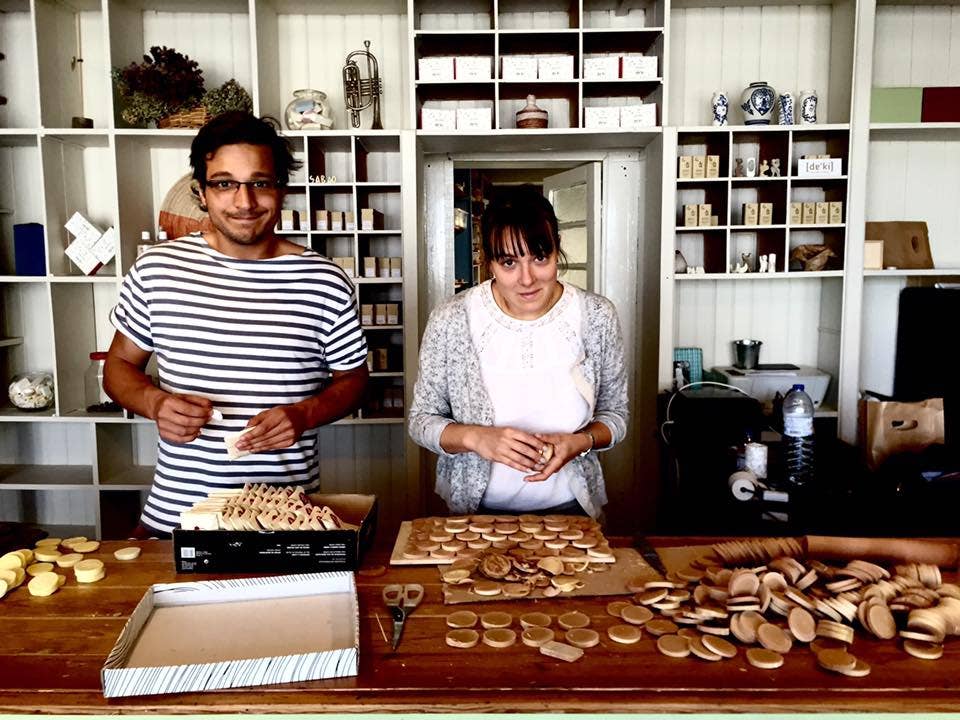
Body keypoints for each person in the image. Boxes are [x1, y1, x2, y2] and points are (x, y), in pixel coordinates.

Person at [104, 112, 368, 536]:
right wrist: (155, 404)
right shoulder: (157, 269)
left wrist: (304, 413)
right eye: (225, 183)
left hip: (286, 521)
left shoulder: (324, 280)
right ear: (202, 192)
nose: (244, 202)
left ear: (282, 190)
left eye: (260, 183)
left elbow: (354, 381)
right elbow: (117, 367)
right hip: (177, 517)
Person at [409, 185, 628, 518]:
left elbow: (616, 415)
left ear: (557, 250)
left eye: (540, 258)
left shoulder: (596, 316)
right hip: (473, 512)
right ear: (489, 262)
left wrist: (580, 442)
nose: (527, 279)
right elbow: (421, 420)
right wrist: (475, 438)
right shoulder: (452, 319)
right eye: (509, 262)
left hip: (572, 509)